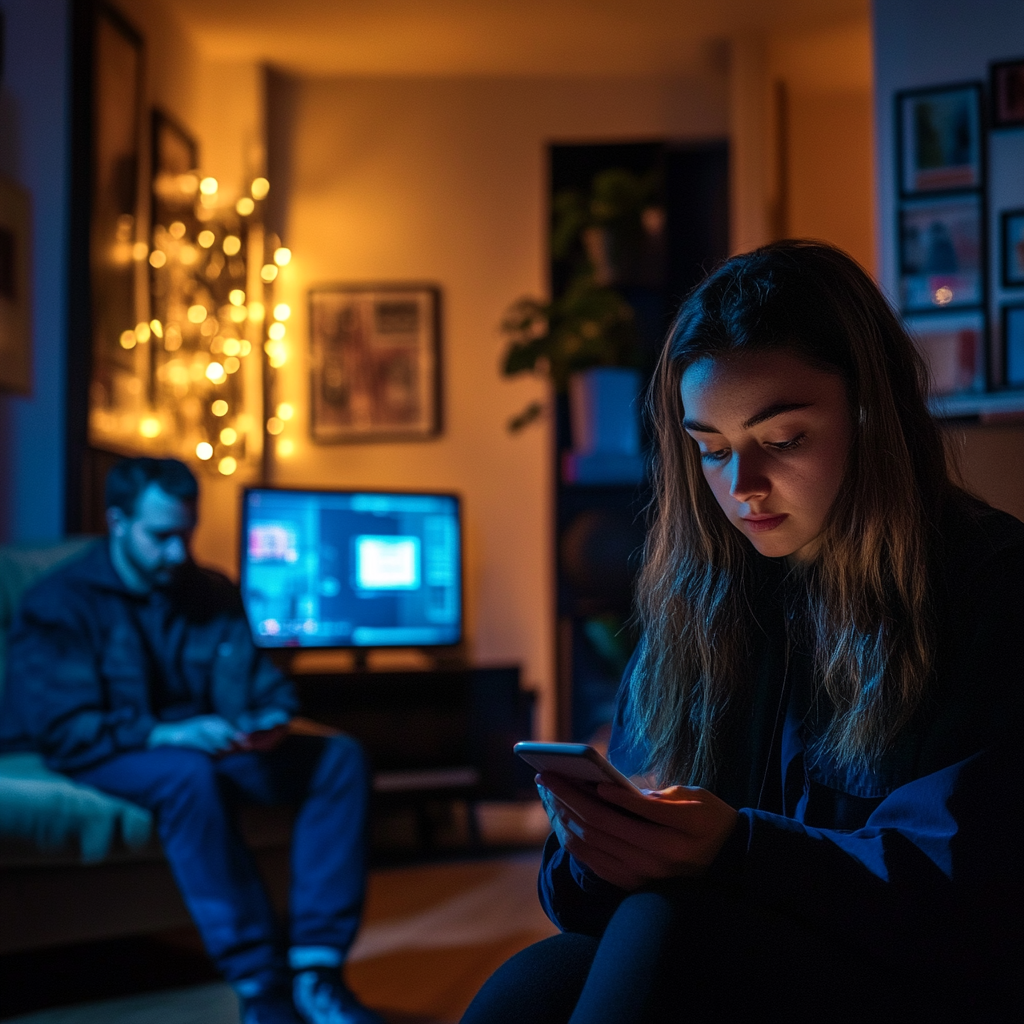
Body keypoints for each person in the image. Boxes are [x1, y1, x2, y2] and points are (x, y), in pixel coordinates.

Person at [461, 241, 1023, 1024]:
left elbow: (963, 894)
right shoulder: (706, 595)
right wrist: (598, 846)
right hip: (740, 941)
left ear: (871, 414)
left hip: (917, 975)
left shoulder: (990, 587)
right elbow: (583, 907)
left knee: (671, 928)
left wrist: (736, 849)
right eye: (712, 450)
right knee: (531, 989)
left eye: (784, 440)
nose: (741, 488)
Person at [0, 458, 384, 1024]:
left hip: (210, 742)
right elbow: (64, 727)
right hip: (112, 746)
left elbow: (260, 682)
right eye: (161, 537)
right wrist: (165, 733)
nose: (179, 553)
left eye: (186, 534)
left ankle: (317, 972)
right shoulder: (59, 602)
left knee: (339, 758)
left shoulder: (211, 592)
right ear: (117, 521)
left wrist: (270, 719)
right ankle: (261, 985)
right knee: (186, 774)